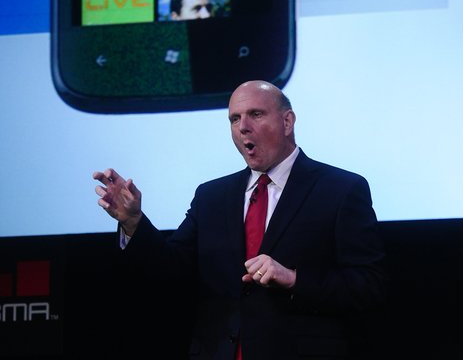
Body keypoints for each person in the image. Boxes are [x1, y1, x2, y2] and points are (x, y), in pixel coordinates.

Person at [93, 80, 387, 360]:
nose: (243, 126)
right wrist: (133, 221)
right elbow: (171, 269)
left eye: (255, 114)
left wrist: (293, 278)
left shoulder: (340, 189)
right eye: (234, 119)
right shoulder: (211, 196)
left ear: (287, 122)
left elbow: (368, 286)